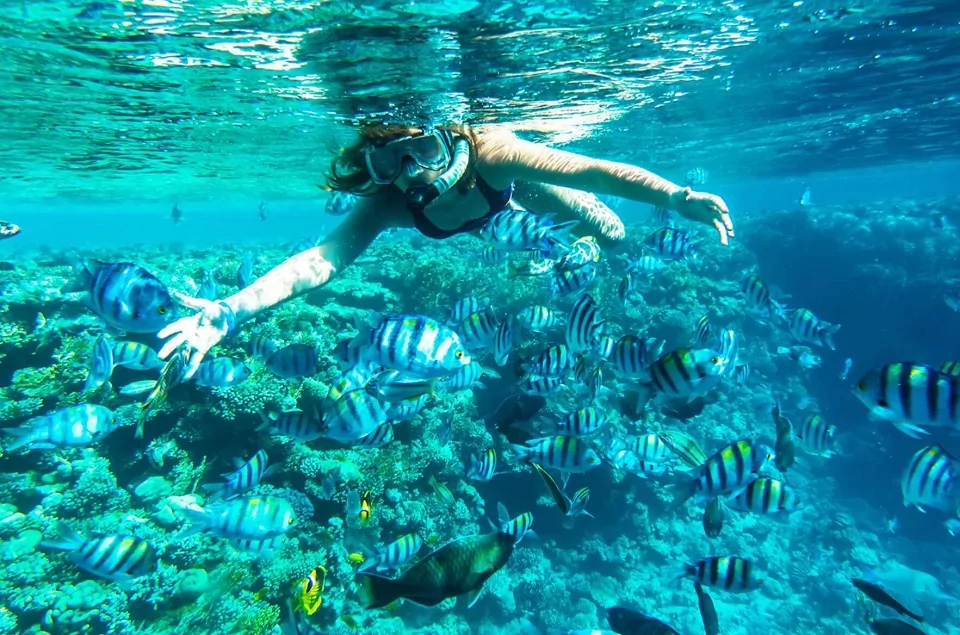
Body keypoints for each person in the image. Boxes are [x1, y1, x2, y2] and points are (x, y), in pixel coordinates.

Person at [159, 124, 734, 376]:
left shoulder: (490, 152)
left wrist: (675, 195)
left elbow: (592, 171)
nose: (411, 173)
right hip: (489, 227)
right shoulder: (390, 201)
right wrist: (231, 309)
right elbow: (319, 260)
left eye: (422, 151)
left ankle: (577, 247)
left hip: (518, 195)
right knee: (525, 237)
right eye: (390, 163)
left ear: (444, 140)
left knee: (612, 236)